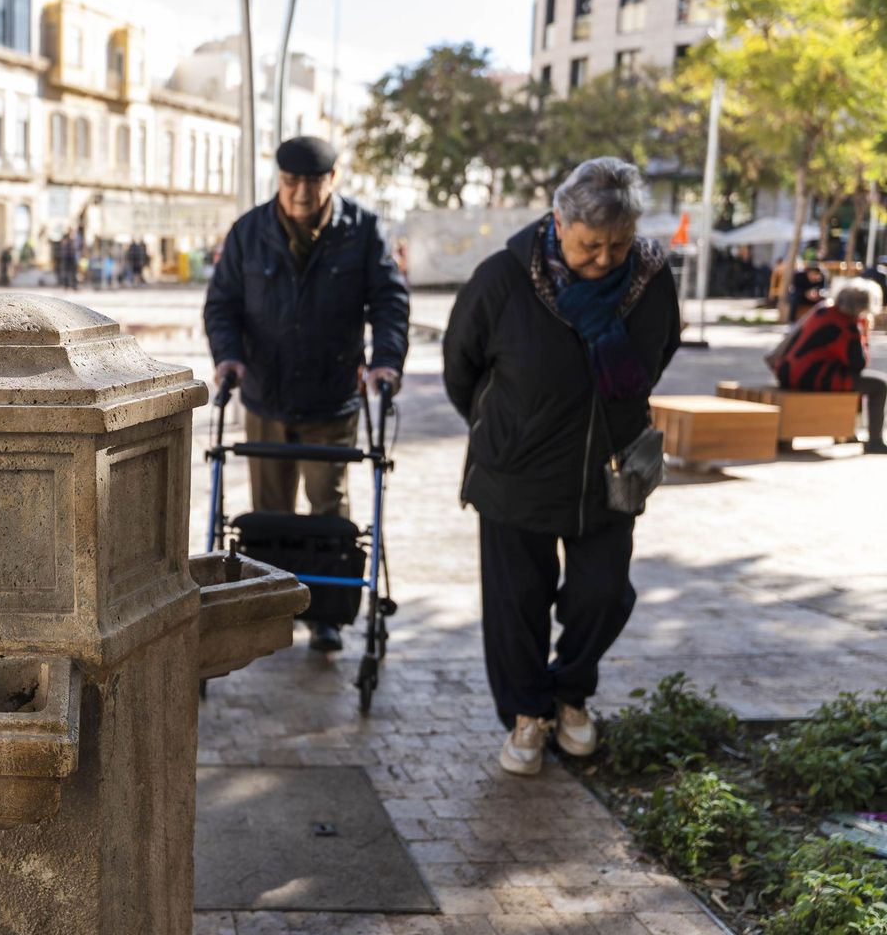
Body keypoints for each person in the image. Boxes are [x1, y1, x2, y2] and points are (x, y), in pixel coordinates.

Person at [442, 157, 681, 777]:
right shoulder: (504, 277)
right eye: (590, 246)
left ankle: (570, 694)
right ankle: (526, 714)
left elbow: (661, 349)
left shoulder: (652, 278)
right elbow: (460, 367)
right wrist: (510, 424)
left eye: (618, 245)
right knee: (517, 601)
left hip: (612, 470)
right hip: (515, 469)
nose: (605, 259)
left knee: (602, 594)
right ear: (558, 222)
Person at [203, 135, 410, 653]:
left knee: (327, 507)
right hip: (265, 396)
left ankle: (325, 615)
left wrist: (386, 360)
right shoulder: (250, 231)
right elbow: (222, 304)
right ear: (280, 179)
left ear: (333, 179)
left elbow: (388, 299)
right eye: (292, 181)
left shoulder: (361, 231)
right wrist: (227, 356)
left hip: (331, 397)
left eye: (313, 181)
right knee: (269, 511)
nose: (301, 192)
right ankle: (271, 609)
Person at [774, 278, 886, 453]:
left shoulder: (823, 309)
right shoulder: (847, 324)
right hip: (811, 376)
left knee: (853, 378)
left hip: (787, 372)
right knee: (879, 385)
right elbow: (858, 364)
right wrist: (863, 333)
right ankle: (875, 442)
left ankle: (848, 431)